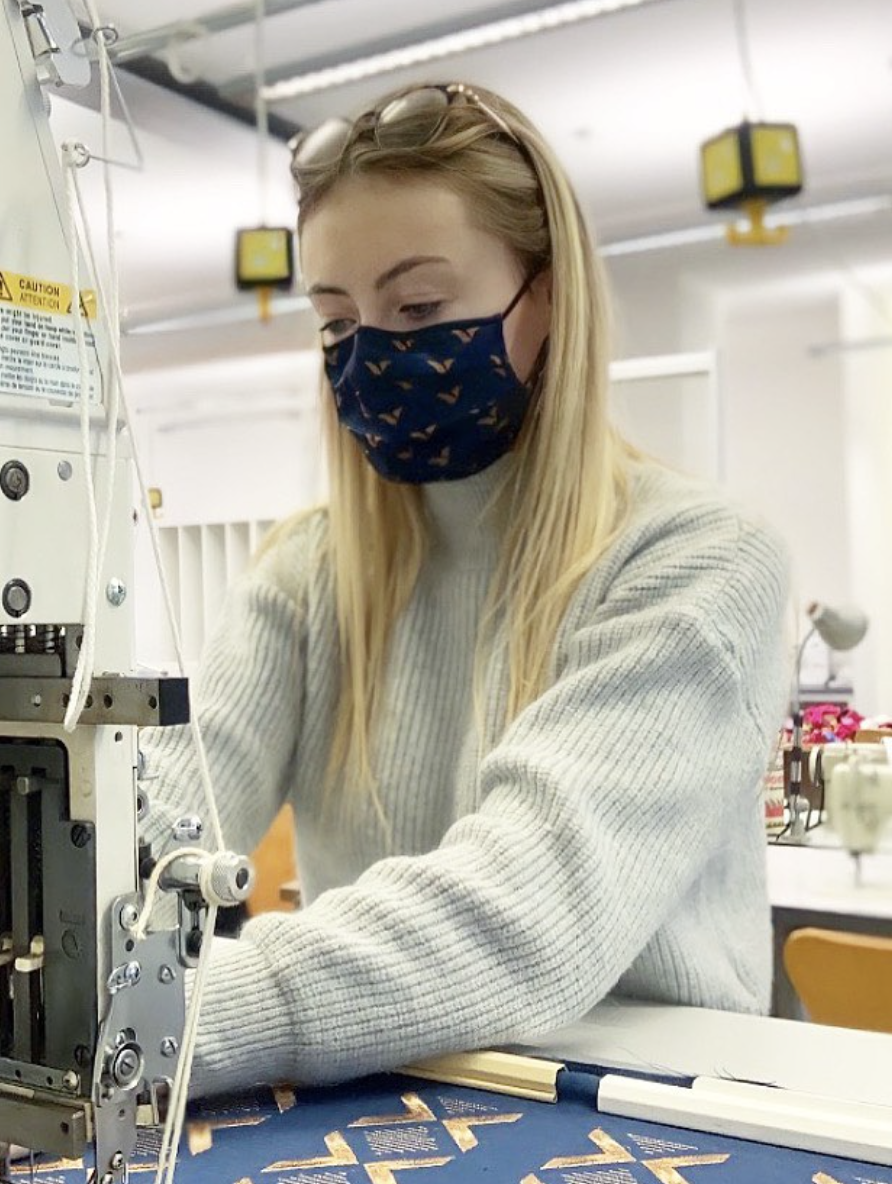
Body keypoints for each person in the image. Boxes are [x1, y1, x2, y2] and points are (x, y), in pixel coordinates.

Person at [138, 80, 789, 1099]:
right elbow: (151, 824)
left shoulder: (698, 559)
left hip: (651, 1102)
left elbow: (526, 910)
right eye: (340, 320)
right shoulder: (309, 575)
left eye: (421, 308)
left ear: (550, 301)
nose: (373, 354)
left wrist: (140, 1028)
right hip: (389, 1079)